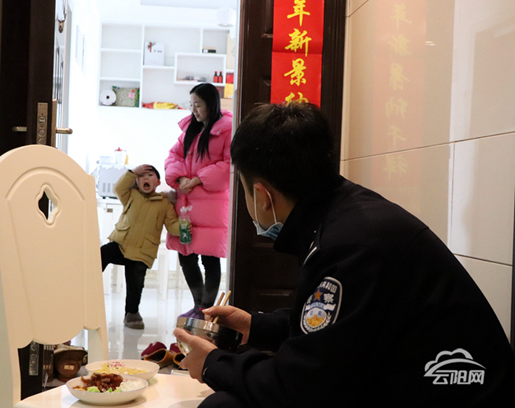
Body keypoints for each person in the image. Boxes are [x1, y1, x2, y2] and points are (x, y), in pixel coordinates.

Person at [174, 102, 515, 407]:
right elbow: (338, 325)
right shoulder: (345, 216)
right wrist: (255, 326)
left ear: (262, 196)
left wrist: (212, 364)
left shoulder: (348, 247)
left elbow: (301, 387)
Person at [165, 83, 233, 319]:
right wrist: (181, 177)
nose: (193, 110)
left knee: (210, 259)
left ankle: (206, 309)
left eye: (198, 105)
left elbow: (229, 164)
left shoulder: (226, 130)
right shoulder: (189, 129)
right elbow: (173, 156)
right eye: (191, 104)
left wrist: (198, 179)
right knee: (185, 255)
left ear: (211, 104)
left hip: (211, 206)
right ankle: (198, 306)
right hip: (186, 206)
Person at [101, 164, 180, 329]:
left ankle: (132, 313)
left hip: (143, 251)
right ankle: (83, 287)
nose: (145, 178)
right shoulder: (131, 195)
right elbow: (118, 188)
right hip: (122, 244)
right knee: (102, 253)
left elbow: (172, 225)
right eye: (141, 176)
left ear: (158, 182)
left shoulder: (165, 203)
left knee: (136, 281)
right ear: (136, 181)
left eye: (150, 175)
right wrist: (132, 173)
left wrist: (185, 227)